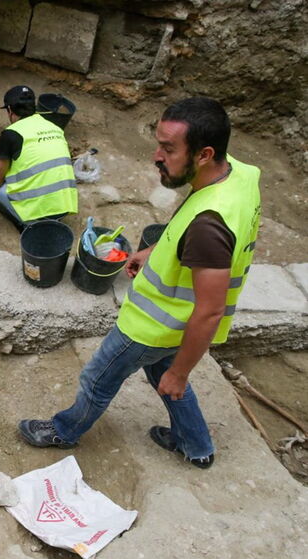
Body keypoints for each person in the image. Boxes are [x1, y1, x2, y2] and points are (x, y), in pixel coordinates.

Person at [18, 97, 261, 469]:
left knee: (99, 379)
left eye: (168, 148)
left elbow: (210, 311)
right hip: (175, 325)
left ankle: (64, 431)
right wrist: (154, 252)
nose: (156, 156)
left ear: (203, 154)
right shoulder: (239, 175)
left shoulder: (209, 226)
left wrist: (182, 371)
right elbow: (194, 239)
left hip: (151, 327)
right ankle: (195, 445)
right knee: (162, 372)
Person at [0, 85, 77, 232]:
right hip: (64, 206)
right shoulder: (54, 126)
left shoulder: (11, 134)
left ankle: (27, 224)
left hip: (39, 215)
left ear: (9, 110)